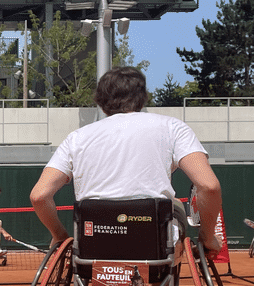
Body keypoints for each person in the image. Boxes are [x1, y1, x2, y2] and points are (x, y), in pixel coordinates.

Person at [29, 66, 223, 258]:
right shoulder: (174, 128)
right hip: (153, 243)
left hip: (93, 243)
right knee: (176, 208)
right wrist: (207, 237)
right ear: (142, 96)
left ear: (101, 100)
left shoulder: (76, 138)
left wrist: (60, 237)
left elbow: (39, 196)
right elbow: (209, 186)